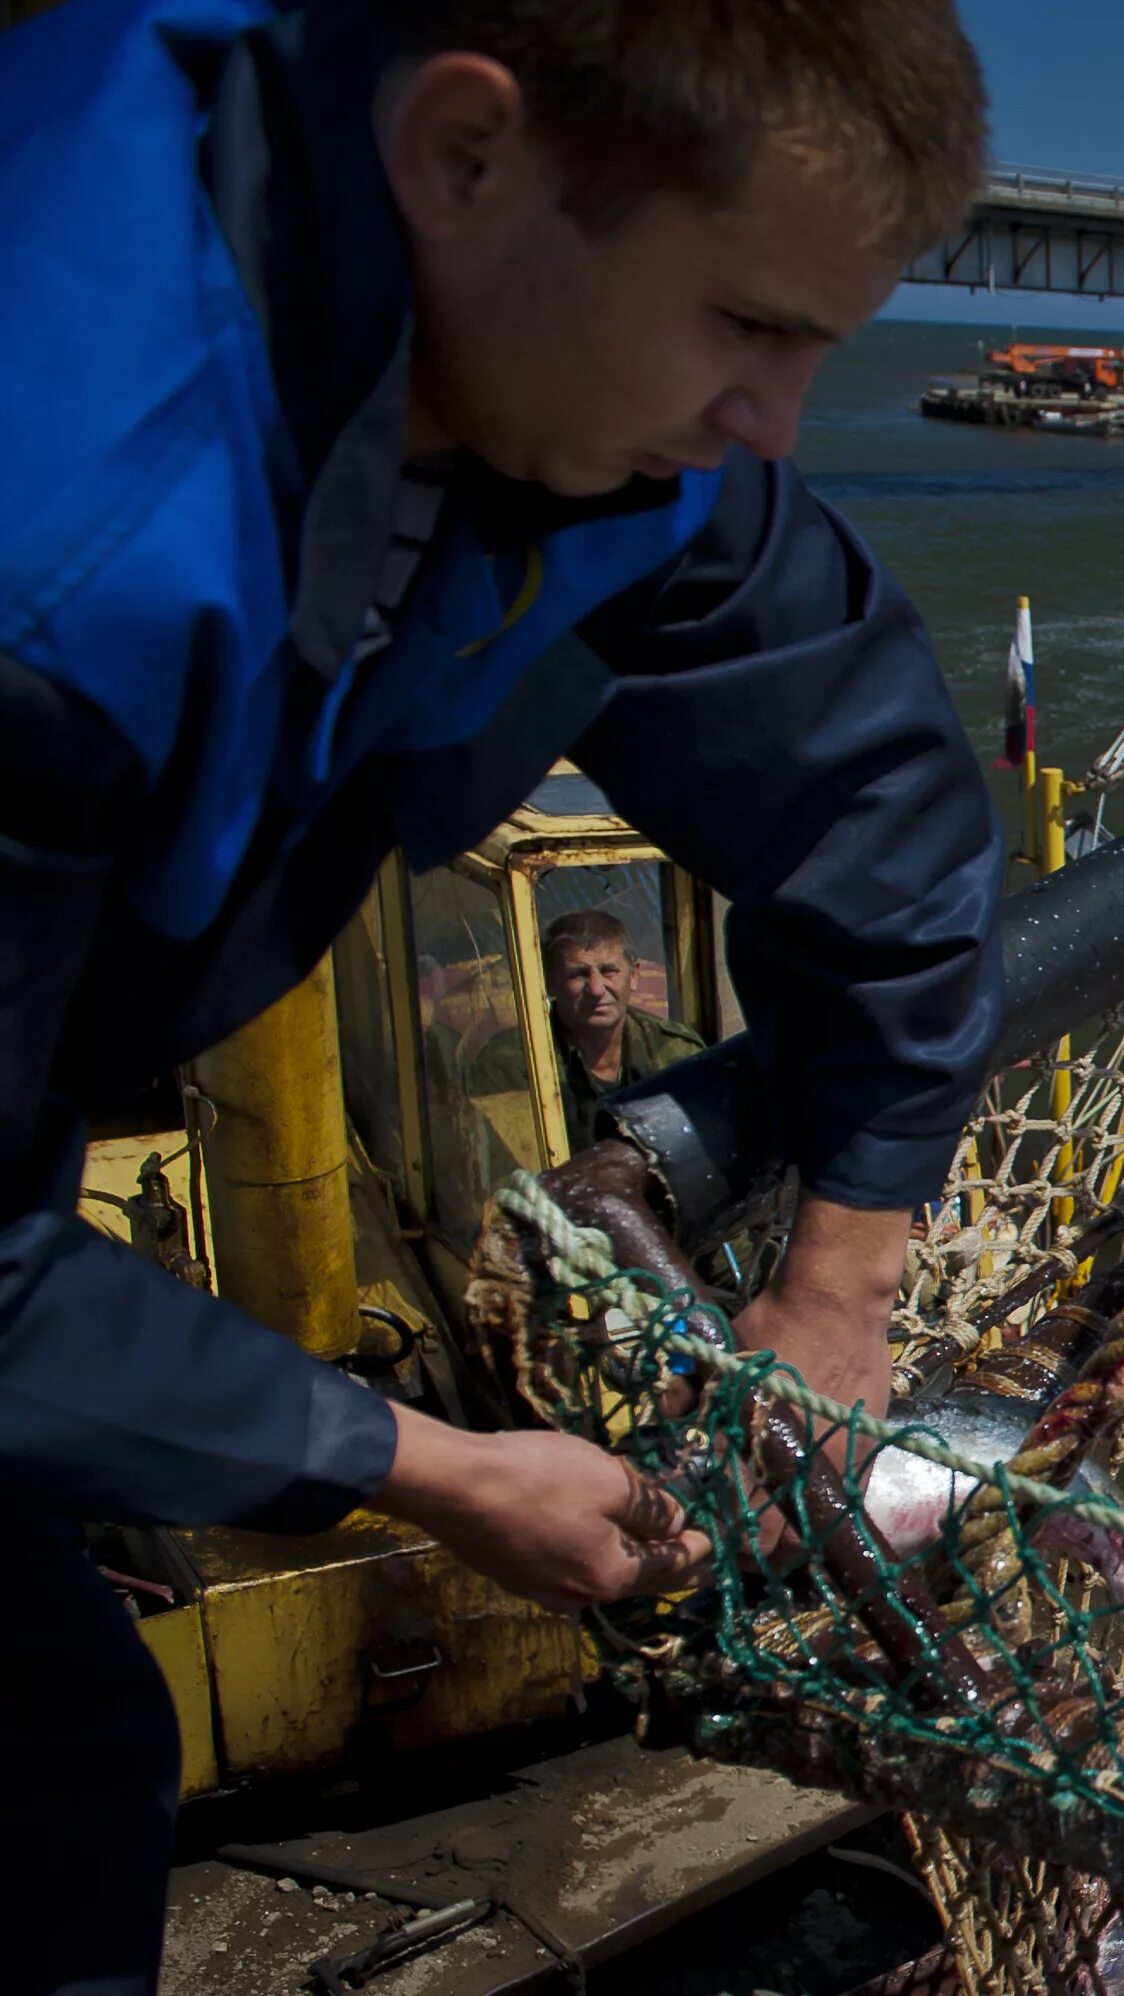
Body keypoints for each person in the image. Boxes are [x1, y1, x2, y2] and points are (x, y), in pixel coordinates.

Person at [0, 1, 1005, 1984]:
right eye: (751, 328)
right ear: (467, 155)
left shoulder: (577, 388)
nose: (779, 421)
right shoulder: (58, 536)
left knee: (54, 1735)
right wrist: (431, 1466)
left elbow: (871, 794)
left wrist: (844, 1275)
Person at [483, 908, 711, 1155]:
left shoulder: (678, 1052)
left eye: (609, 971)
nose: (596, 988)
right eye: (578, 975)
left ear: (633, 976)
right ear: (549, 982)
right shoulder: (511, 1065)